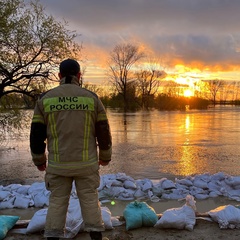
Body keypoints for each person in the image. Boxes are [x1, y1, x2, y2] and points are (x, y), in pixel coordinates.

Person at [30, 59, 112, 240]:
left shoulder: (45, 100)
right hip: (87, 164)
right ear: (79, 76)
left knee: (58, 202)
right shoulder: (92, 98)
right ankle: (96, 237)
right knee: (90, 200)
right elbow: (104, 132)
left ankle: (52, 237)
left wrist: (39, 160)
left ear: (59, 76)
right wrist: (105, 156)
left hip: (58, 166)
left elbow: (36, 134)